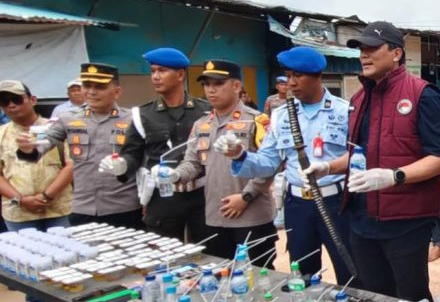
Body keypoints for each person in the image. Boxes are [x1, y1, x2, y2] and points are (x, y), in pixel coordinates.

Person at [302, 21, 440, 302]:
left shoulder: (422, 94)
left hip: (405, 221)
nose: (363, 55)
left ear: (396, 54)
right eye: (360, 49)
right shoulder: (359, 98)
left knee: (410, 298)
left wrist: (394, 176)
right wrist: (329, 167)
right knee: (374, 294)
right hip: (361, 218)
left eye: (371, 48)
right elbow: (359, 152)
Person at [221, 47, 353, 283]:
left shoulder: (345, 111)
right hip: (297, 205)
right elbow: (267, 163)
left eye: (298, 76)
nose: (291, 83)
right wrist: (240, 155)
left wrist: (330, 167)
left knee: (350, 270)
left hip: (336, 202)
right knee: (301, 272)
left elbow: (359, 157)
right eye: (288, 76)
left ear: (318, 76)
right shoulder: (282, 115)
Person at [159, 60, 276, 262]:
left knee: (261, 274)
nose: (211, 90)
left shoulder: (256, 121)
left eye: (218, 84)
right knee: (219, 273)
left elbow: (271, 165)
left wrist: (246, 196)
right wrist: (175, 174)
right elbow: (193, 163)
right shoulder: (201, 125)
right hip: (215, 215)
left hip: (252, 215)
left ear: (236, 86)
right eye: (206, 84)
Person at [99, 47, 211, 241]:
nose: (156, 77)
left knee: (208, 252)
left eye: (162, 71)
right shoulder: (143, 114)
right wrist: (121, 165)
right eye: (153, 72)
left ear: (180, 74)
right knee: (163, 254)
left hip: (201, 194)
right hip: (163, 196)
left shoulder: (206, 111)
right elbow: (132, 153)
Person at [17, 63, 142, 230]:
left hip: (125, 207)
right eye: (87, 86)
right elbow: (44, 142)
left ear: (117, 91)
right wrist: (28, 148)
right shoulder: (67, 118)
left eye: (100, 87)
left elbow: (144, 159)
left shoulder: (134, 120)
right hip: (83, 207)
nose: (91, 92)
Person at [0, 80, 73, 302]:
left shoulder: (57, 128)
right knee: (27, 260)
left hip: (58, 204)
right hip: (18, 210)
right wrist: (20, 199)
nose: (11, 106)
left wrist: (46, 195)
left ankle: (71, 300)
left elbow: (71, 164)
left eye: (16, 99)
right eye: (4, 102)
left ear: (32, 99)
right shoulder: (1, 135)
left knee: (67, 254)